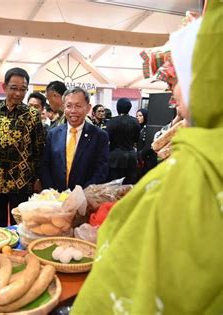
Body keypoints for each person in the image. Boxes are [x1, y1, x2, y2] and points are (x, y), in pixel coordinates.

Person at [72, 5, 222, 313]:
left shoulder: (188, 177)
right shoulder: (145, 130)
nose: (174, 95)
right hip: (131, 159)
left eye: (178, 80)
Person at [0, 67, 45, 226]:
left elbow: (39, 149)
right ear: (4, 87)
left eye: (23, 89)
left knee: (22, 226)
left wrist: (38, 178)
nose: (18, 93)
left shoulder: (33, 115)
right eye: (14, 88)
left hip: (23, 182)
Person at [40, 87, 109, 191]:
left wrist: (81, 193)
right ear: (64, 107)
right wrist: (52, 191)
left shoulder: (99, 136)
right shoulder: (53, 134)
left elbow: (101, 171)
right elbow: (45, 165)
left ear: (88, 108)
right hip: (56, 198)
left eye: (78, 106)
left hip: (84, 198)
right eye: (69, 106)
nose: (73, 111)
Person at [105, 98, 141, 184]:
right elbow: (136, 139)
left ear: (117, 108)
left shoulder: (112, 122)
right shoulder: (135, 121)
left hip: (115, 157)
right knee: (129, 185)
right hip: (131, 157)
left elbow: (107, 139)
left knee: (114, 185)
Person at [136, 108, 157, 179]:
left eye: (140, 116)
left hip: (147, 160)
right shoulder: (138, 128)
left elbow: (149, 145)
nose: (138, 118)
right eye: (137, 116)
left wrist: (140, 154)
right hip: (140, 159)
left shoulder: (149, 129)